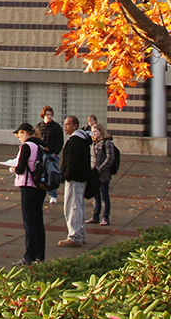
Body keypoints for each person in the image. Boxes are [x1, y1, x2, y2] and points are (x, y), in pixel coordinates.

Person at [10, 122, 46, 265]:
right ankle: (40, 255)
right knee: (38, 221)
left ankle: (28, 257)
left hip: (28, 185)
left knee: (29, 222)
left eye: (19, 135)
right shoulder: (40, 145)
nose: (19, 138)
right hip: (40, 186)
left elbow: (21, 168)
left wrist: (13, 169)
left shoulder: (26, 146)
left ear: (25, 133)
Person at [58, 117, 92, 247]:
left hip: (75, 178)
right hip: (80, 178)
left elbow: (72, 161)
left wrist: (67, 174)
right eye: (65, 124)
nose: (65, 127)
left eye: (68, 124)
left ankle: (74, 236)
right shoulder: (81, 140)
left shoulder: (75, 141)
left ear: (75, 126)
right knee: (79, 206)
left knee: (73, 206)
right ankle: (80, 234)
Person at [89, 119, 117, 226]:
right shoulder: (94, 143)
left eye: (95, 131)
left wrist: (100, 169)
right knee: (96, 197)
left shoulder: (107, 142)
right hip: (94, 174)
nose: (94, 134)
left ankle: (105, 217)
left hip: (103, 174)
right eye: (92, 132)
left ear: (101, 131)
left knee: (104, 196)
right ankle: (95, 216)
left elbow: (110, 158)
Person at [37, 106, 64, 204]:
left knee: (52, 175)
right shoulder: (39, 126)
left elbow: (60, 141)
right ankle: (42, 194)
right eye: (47, 115)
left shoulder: (56, 127)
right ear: (43, 115)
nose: (49, 117)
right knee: (41, 175)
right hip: (42, 154)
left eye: (50, 115)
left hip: (52, 155)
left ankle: (53, 195)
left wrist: (55, 152)